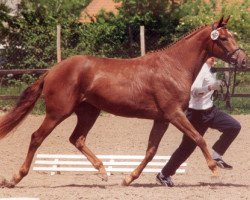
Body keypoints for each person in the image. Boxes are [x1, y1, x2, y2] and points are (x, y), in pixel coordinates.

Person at [156, 57, 241, 187]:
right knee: (186, 148)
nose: (214, 58)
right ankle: (163, 175)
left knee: (234, 127)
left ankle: (217, 156)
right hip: (196, 115)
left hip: (210, 111)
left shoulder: (211, 68)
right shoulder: (201, 69)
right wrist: (211, 86)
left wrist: (218, 85)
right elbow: (194, 91)